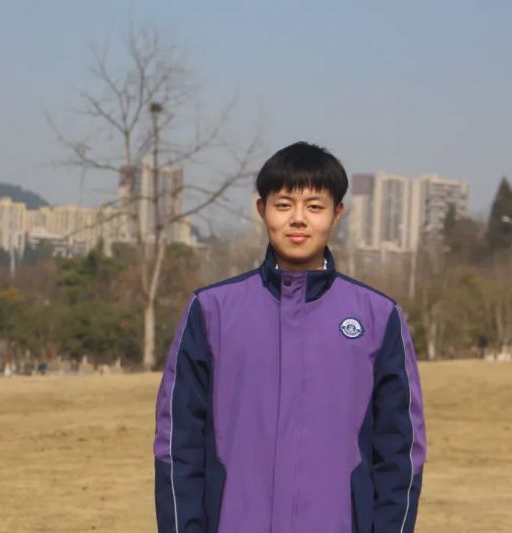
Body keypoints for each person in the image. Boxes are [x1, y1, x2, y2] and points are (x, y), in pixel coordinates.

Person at [153, 142, 426, 532]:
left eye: (314, 206)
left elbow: (400, 451)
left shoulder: (379, 316)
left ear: (337, 213)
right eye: (283, 205)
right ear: (262, 209)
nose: (298, 219)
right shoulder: (211, 310)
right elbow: (178, 445)